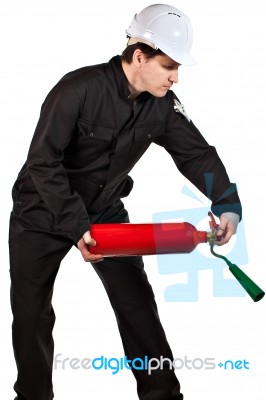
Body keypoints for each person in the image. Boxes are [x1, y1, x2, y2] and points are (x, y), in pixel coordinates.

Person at [9, 4, 242, 400]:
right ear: (139, 56)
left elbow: (196, 155)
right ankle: (32, 396)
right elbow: (42, 163)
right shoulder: (76, 90)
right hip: (41, 210)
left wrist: (227, 203)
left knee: (136, 302)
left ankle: (162, 394)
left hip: (105, 209)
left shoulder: (162, 105)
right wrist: (74, 224)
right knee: (31, 313)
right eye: (169, 66)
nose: (176, 77)